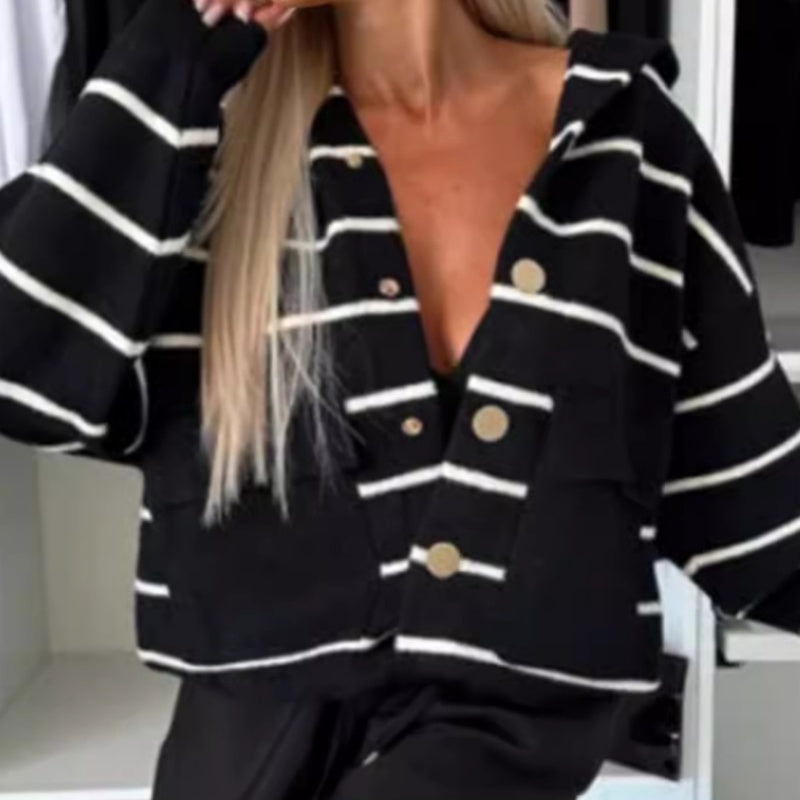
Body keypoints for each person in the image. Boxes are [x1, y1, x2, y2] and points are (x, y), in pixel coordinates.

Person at [1, 1, 799, 798]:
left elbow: (750, 512)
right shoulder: (204, 151)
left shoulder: (623, 138)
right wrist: (183, 41)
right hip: (235, 765)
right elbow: (25, 374)